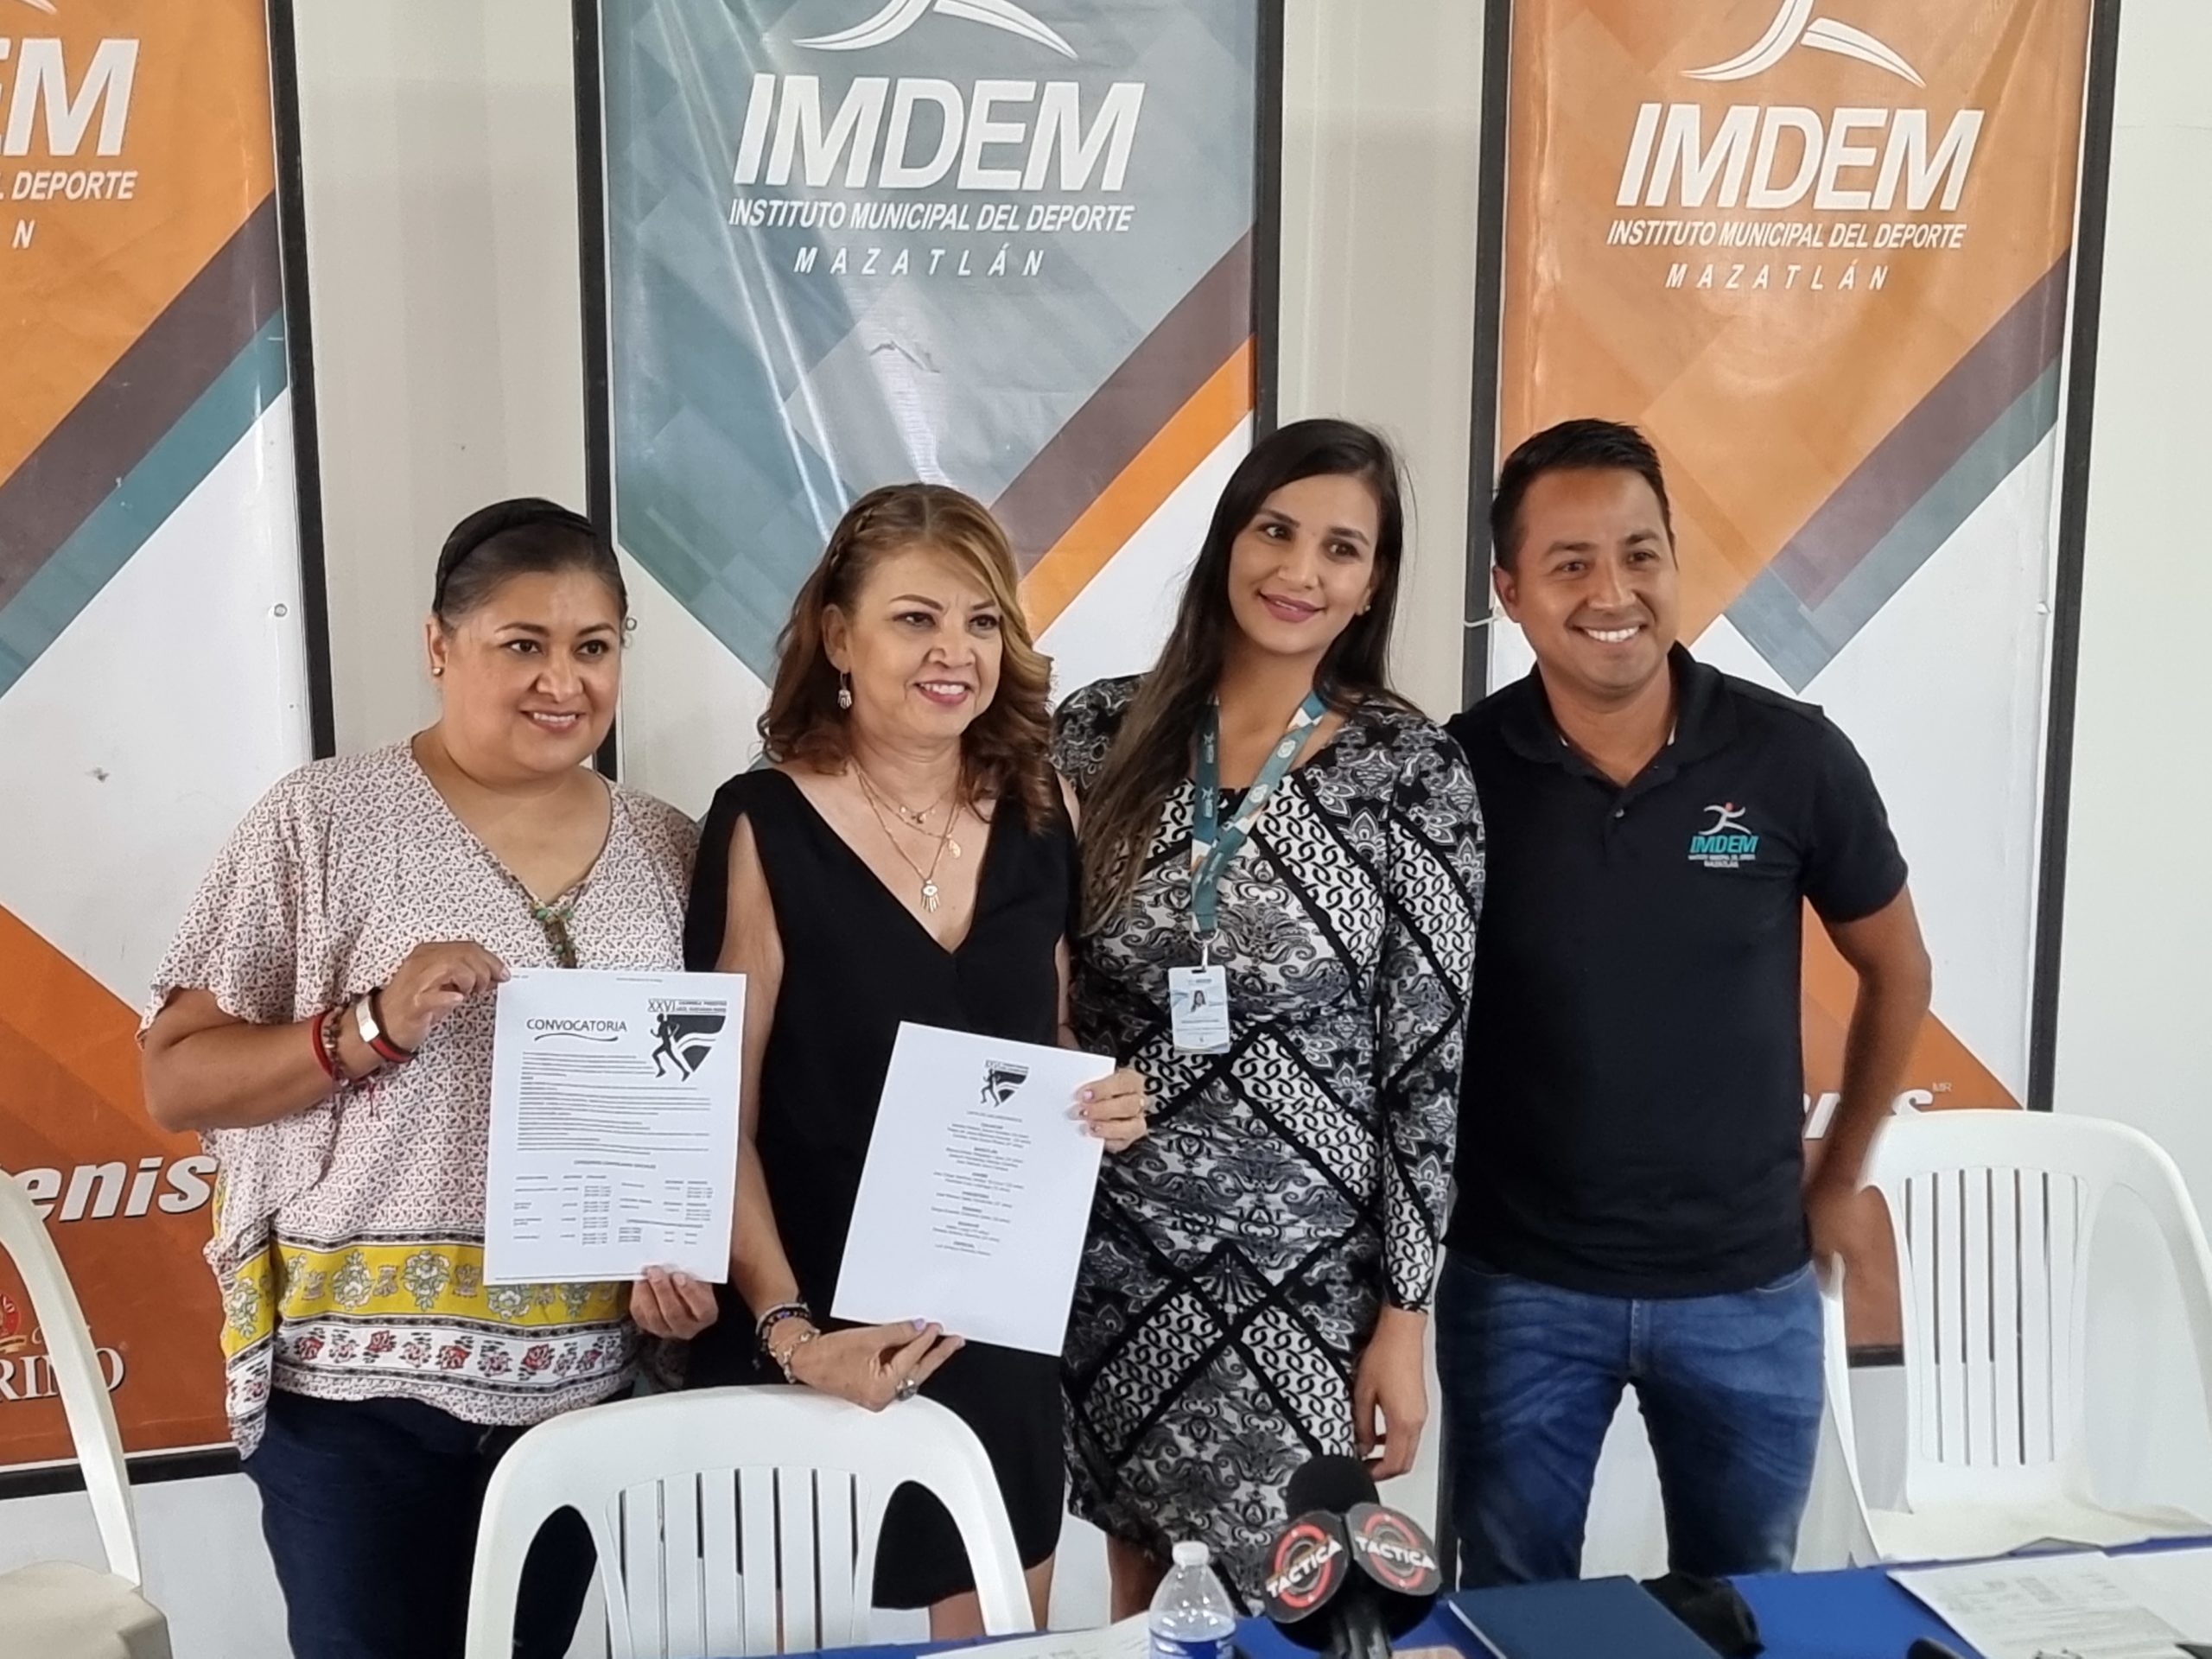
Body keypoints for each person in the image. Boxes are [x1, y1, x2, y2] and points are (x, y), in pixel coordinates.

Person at [139, 500, 713, 1659]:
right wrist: (367, 1026)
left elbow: (700, 1113)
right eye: (523, 643)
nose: (563, 681)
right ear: (438, 646)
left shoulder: (672, 845)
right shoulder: (323, 820)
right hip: (357, 1394)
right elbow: (176, 1077)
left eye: (594, 646)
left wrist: (680, 1269)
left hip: (576, 1392)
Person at [1438, 419, 1934, 1585]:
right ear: (1509, 589)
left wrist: (1839, 1174)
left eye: (1640, 553)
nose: (1613, 593)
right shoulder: (1456, 772)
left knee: (1744, 1610)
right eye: (1570, 563)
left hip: (1747, 1288)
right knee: (1515, 1619)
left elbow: (1900, 969)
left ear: (1674, 559)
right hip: (1520, 1289)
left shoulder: (1791, 758)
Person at [678, 484, 1149, 1637]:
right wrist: (790, 1334)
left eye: (982, 622)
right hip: (808, 1327)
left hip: (991, 1324)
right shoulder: (760, 822)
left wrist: (1101, 1099)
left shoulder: (1046, 811)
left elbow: (1050, 1038)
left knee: (1001, 1645)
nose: (956, 652)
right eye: (916, 619)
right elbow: (717, 1117)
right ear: (838, 636)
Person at [1054, 419, 1485, 1610]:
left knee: (1298, 1603)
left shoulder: (1411, 771)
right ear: (1227, 543)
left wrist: (1404, 1318)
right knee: (1147, 1587)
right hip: (1115, 1245)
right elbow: (1036, 973)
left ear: (1373, 583)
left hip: (1307, 1270)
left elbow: (1428, 1069)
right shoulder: (1097, 732)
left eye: (1341, 549)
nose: (1301, 571)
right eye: (1276, 531)